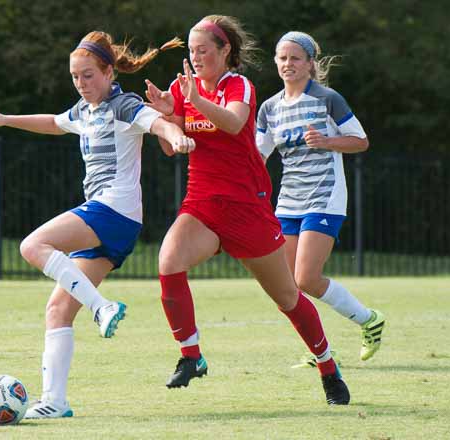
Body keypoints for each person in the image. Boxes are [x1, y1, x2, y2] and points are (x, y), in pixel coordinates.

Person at [0, 31, 195, 418]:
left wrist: (177, 135)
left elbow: (158, 124)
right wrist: (6, 120)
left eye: (89, 76)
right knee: (58, 310)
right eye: (75, 77)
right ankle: (55, 403)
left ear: (109, 72)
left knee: (32, 246)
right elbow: (53, 122)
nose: (82, 84)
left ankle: (101, 308)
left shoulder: (123, 104)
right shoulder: (84, 111)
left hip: (113, 211)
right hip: (110, 222)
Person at [145, 15, 350, 405]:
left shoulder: (238, 85)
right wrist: (167, 115)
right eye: (191, 50)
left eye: (203, 50)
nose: (196, 56)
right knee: (168, 262)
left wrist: (195, 100)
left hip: (246, 207)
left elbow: (234, 122)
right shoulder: (181, 86)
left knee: (288, 297)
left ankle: (327, 366)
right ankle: (191, 356)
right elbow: (171, 147)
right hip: (202, 203)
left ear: (225, 52)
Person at [256, 31, 385, 368]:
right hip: (288, 202)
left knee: (307, 279)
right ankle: (321, 350)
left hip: (324, 196)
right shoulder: (269, 108)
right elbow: (257, 158)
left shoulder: (328, 99)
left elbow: (360, 141)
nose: (288, 64)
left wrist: (328, 141)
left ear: (310, 63)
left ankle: (369, 320)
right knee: (286, 286)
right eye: (282, 58)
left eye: (295, 58)